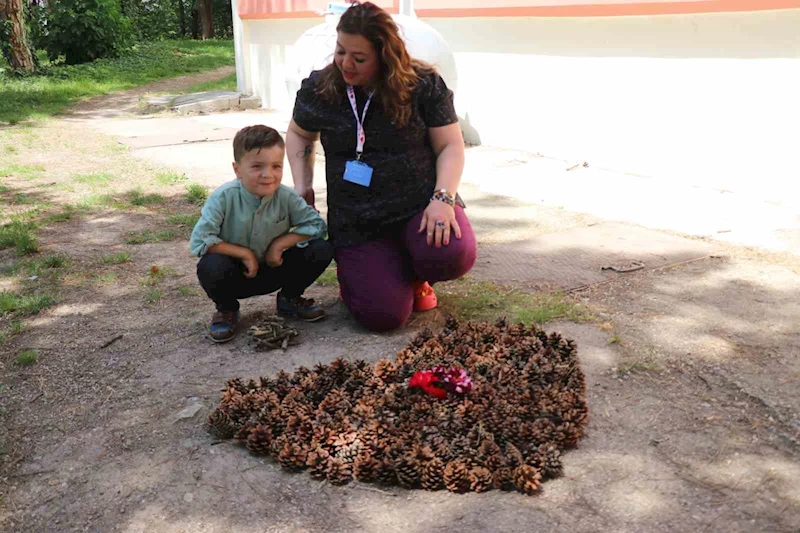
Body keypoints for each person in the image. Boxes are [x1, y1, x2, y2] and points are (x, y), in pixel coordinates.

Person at [286, 1, 477, 332]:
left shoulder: (423, 85)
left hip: (420, 205)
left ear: (385, 55)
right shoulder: (320, 88)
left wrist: (443, 198)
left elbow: (450, 145)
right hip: (358, 219)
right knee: (383, 316)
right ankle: (381, 274)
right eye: (341, 50)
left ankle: (416, 275)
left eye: (359, 58)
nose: (346, 63)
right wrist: (303, 187)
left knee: (451, 254)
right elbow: (299, 134)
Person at [190, 125, 333, 343]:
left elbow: (316, 225)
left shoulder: (286, 197)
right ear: (237, 169)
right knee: (210, 265)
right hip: (237, 274)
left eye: (276, 166)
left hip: (275, 266)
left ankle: (290, 298)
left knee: (321, 248)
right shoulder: (223, 198)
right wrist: (244, 254)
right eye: (257, 166)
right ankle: (227, 309)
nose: (268, 175)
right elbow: (200, 240)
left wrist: (279, 245)